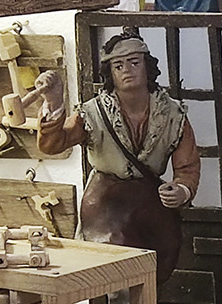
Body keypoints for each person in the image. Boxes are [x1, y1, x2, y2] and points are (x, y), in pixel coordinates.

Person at [27, 32, 199, 285]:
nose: (127, 70)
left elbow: (188, 167)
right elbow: (53, 144)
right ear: (110, 73)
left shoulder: (173, 114)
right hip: (106, 203)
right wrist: (54, 103)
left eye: (134, 62)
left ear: (148, 67)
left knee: (155, 270)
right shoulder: (93, 113)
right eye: (118, 66)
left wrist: (181, 190)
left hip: (150, 203)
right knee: (113, 268)